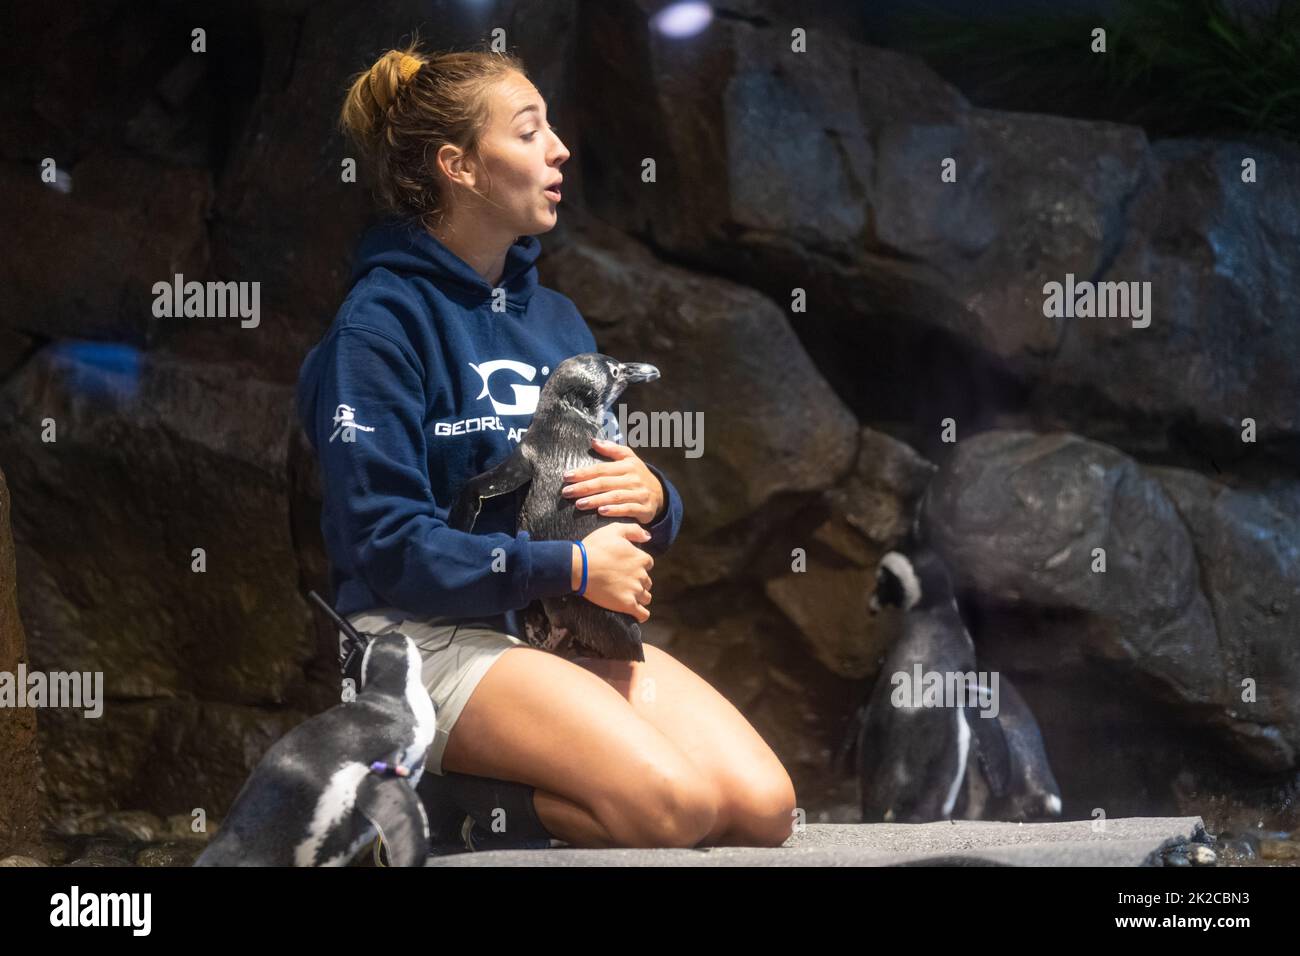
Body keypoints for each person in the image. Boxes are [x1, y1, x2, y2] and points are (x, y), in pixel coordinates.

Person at [296, 38, 796, 856]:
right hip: (424, 640)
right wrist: (570, 570)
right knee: (669, 811)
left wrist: (655, 500)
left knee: (762, 807)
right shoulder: (379, 327)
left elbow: (607, 499)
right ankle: (433, 807)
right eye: (528, 132)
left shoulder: (554, 317)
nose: (559, 148)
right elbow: (384, 545)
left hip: (557, 627)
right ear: (458, 166)